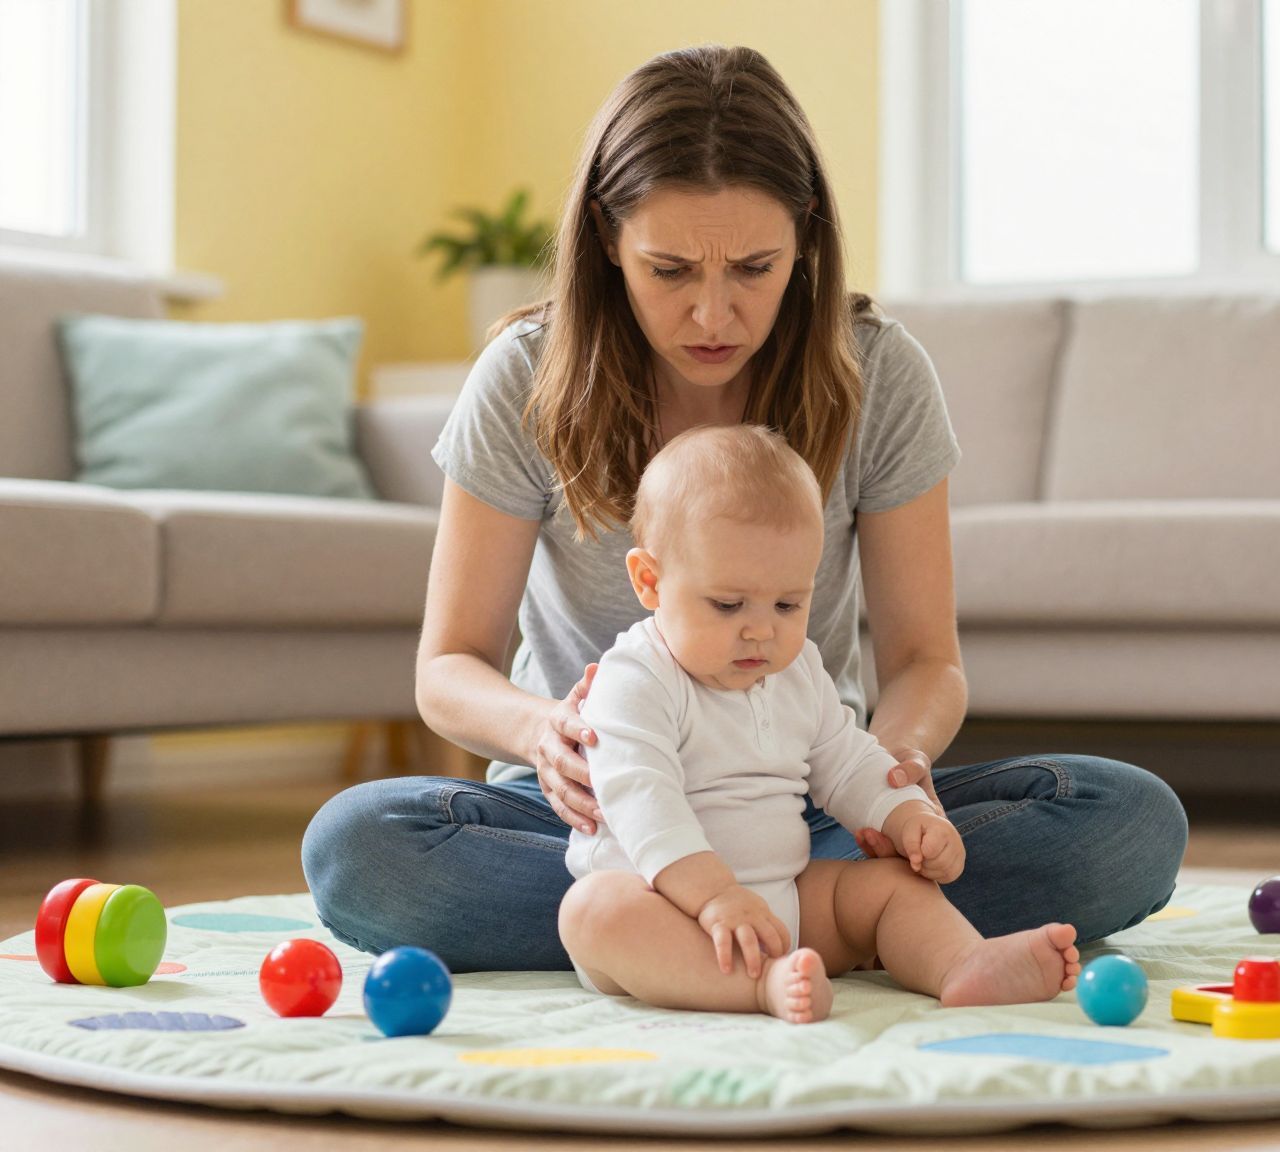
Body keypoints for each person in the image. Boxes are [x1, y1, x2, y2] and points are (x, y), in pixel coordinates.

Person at [300, 44, 1186, 973]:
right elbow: (448, 666)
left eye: (755, 269)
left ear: (805, 234)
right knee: (361, 847)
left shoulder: (878, 372)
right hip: (589, 822)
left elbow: (927, 662)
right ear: (606, 235)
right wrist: (539, 734)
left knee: (1126, 823)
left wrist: (893, 776)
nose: (714, 315)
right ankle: (819, 926)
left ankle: (679, 939)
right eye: (670, 270)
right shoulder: (524, 376)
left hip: (803, 804)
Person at [559, 425, 1080, 1021]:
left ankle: (961, 963)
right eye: (728, 605)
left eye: (788, 604)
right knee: (592, 911)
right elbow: (643, 805)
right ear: (650, 581)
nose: (762, 630)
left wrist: (908, 816)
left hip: (788, 903)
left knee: (891, 888)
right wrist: (715, 898)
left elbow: (847, 759)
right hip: (666, 911)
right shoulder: (635, 678)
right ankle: (758, 987)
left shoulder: (796, 668)